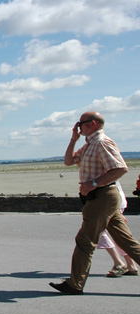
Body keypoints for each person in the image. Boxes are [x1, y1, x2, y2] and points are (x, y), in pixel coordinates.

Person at [50, 111, 140, 295]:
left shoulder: (101, 142)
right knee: (126, 241)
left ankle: (74, 284)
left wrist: (93, 184)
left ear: (91, 124)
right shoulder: (89, 144)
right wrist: (73, 139)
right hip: (102, 197)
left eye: (80, 124)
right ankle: (74, 283)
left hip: (102, 196)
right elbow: (68, 161)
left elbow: (120, 168)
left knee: (85, 240)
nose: (78, 127)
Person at [98, 182, 138, 277]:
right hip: (115, 201)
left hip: (111, 202)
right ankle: (131, 265)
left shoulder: (101, 169)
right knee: (118, 233)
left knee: (99, 232)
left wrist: (117, 210)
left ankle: (118, 263)